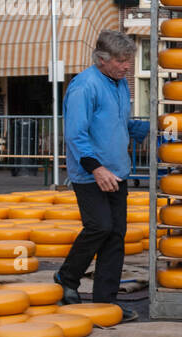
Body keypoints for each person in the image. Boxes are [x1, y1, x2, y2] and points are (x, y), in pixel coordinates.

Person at [54, 30, 150, 321]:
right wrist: (96, 168)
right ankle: (67, 276)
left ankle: (105, 303)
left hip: (117, 172)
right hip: (90, 173)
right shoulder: (84, 87)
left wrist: (149, 129)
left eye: (129, 61)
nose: (127, 67)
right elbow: (75, 135)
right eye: (121, 61)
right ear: (101, 59)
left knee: (115, 236)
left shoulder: (119, 84)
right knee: (100, 227)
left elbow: (118, 123)